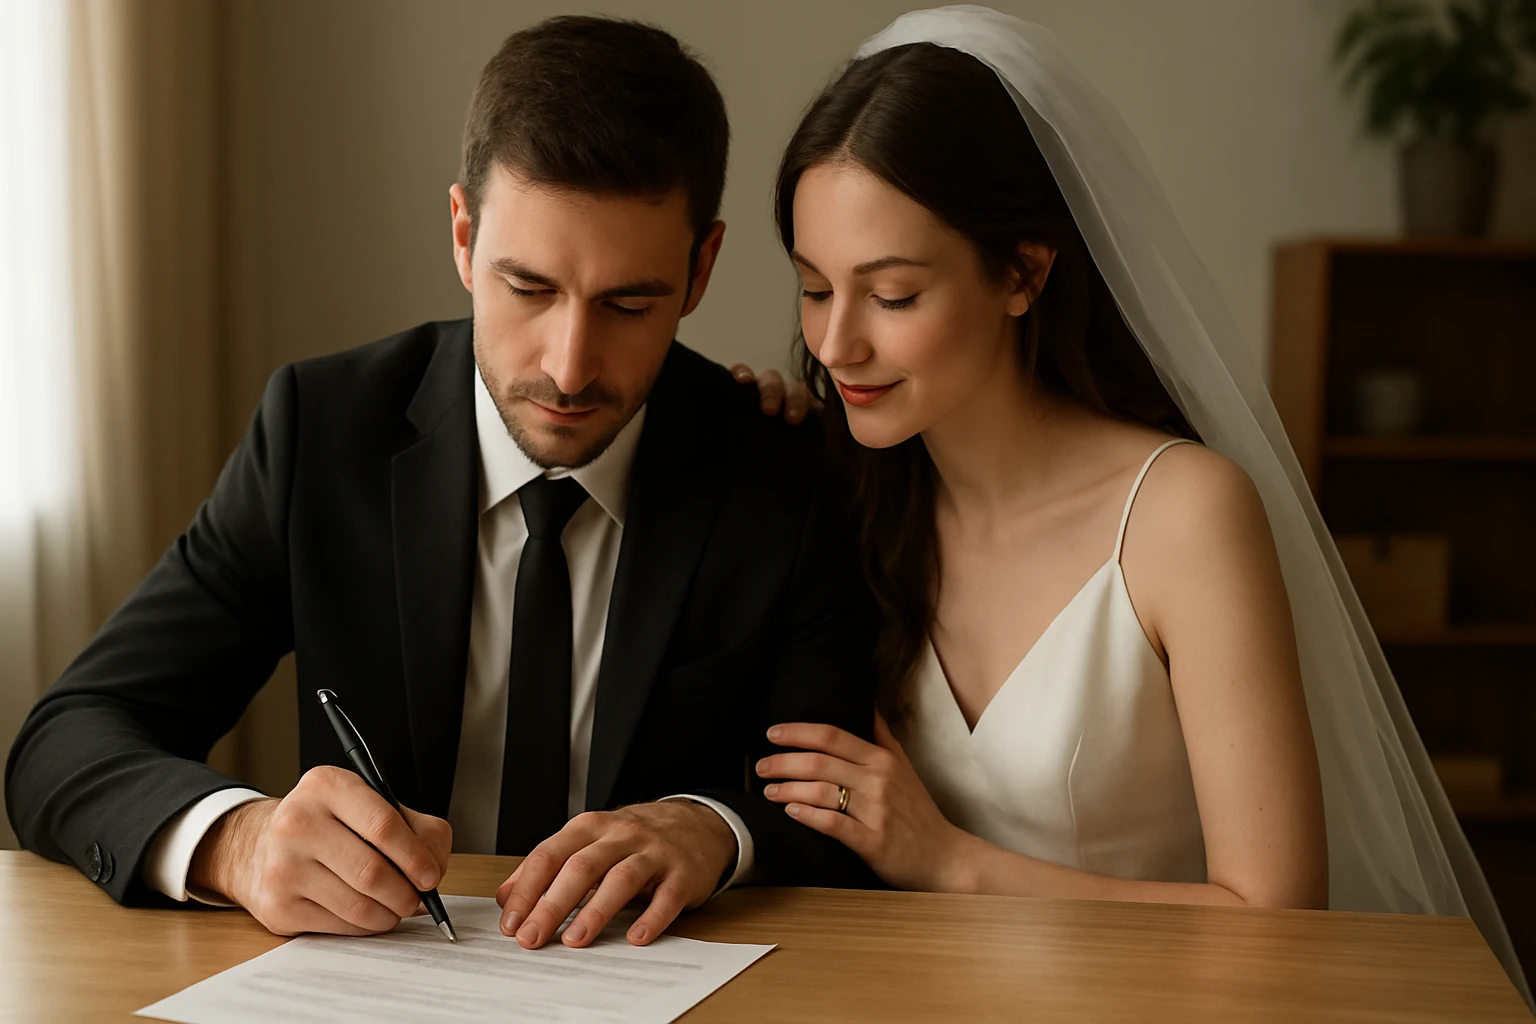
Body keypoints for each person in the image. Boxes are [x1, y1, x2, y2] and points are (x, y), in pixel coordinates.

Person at [4, 14, 879, 952]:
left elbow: (838, 808)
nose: (570, 365)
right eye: (528, 288)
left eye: (629, 303)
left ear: (699, 268)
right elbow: (68, 739)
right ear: (463, 236)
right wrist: (239, 842)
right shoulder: (321, 432)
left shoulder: (783, 470)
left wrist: (717, 828)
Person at [739, 5, 1528, 1003]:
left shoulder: (1183, 516)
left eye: (891, 296)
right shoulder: (849, 496)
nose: (834, 344)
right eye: (815, 289)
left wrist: (949, 861)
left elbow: (1279, 912)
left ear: (1024, 272)